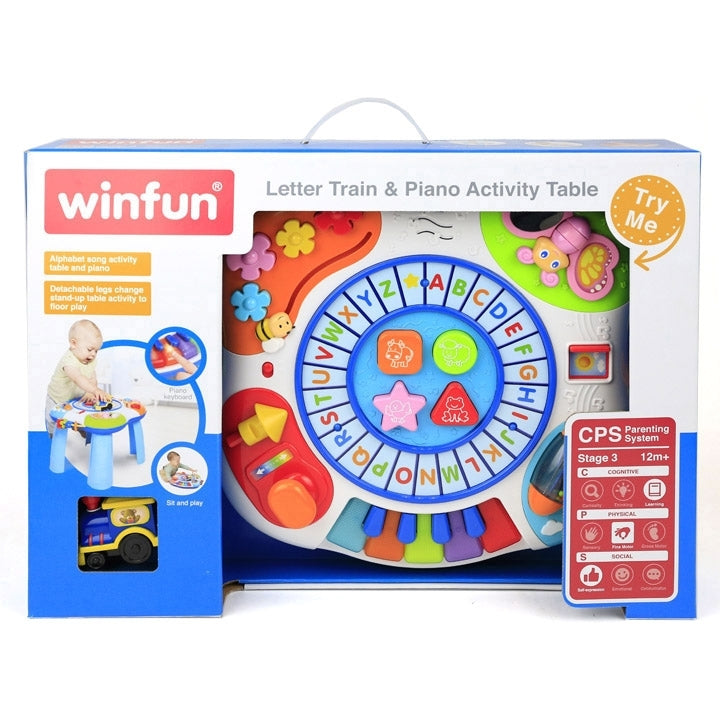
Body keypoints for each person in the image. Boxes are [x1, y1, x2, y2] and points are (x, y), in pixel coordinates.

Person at [46, 319, 111, 433]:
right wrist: (95, 390)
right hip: (57, 398)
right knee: (53, 420)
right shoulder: (68, 361)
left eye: (96, 351)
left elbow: (92, 377)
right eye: (90, 349)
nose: (93, 354)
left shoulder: (90, 360)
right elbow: (78, 378)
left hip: (75, 397)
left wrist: (90, 392)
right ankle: (53, 436)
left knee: (80, 414)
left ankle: (82, 430)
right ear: (74, 344)